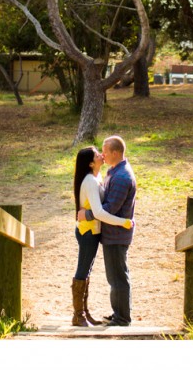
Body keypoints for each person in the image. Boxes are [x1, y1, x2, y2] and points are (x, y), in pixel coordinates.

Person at [78, 135, 136, 326]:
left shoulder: (121, 177)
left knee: (118, 277)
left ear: (115, 152)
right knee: (115, 276)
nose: (102, 154)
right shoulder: (114, 171)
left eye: (105, 150)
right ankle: (119, 313)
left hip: (116, 235)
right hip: (112, 233)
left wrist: (86, 214)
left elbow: (108, 209)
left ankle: (122, 318)